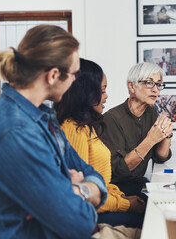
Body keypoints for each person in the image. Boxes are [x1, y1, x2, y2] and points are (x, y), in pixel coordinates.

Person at [0, 25, 108, 239]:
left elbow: (90, 172)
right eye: (73, 74)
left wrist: (74, 191)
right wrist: (83, 190)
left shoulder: (43, 117)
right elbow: (78, 223)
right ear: (53, 75)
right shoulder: (17, 133)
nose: (75, 80)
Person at [54, 58, 145, 229]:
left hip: (104, 202)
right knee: (148, 223)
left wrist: (123, 198)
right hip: (91, 214)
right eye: (102, 91)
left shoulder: (87, 126)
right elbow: (84, 194)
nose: (106, 96)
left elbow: (101, 182)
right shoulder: (73, 129)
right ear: (85, 94)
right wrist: (126, 204)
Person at [100, 62, 173, 202]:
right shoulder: (112, 118)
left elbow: (161, 157)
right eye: (149, 83)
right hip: (118, 191)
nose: (156, 90)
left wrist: (167, 133)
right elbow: (119, 171)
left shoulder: (151, 114)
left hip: (140, 185)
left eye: (158, 84)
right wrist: (150, 140)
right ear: (131, 86)